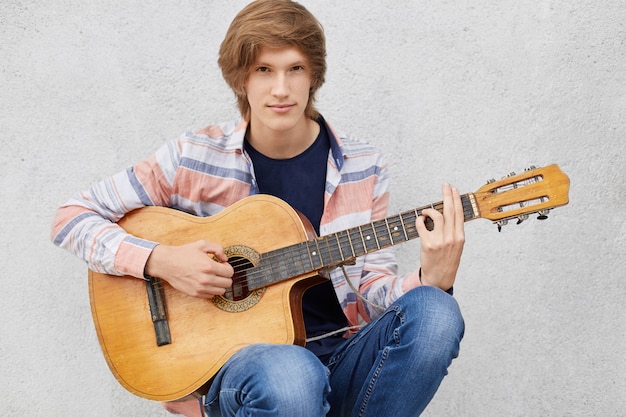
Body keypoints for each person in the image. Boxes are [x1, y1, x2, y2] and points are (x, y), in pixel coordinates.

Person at [51, 0, 466, 416]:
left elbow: (371, 293)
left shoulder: (363, 165)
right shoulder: (193, 158)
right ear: (241, 78)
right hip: (252, 377)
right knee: (291, 373)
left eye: (295, 69)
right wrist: (161, 260)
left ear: (313, 76)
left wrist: (434, 277)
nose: (281, 89)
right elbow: (71, 219)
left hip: (341, 359)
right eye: (264, 70)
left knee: (437, 313)